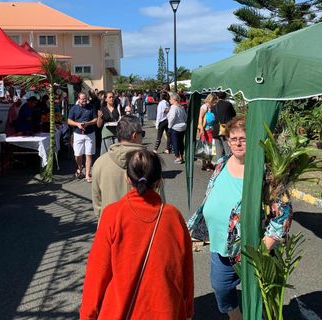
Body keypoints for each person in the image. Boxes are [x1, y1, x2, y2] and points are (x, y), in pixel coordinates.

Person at [187, 116, 292, 320]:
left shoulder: (265, 172)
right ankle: (235, 316)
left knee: (261, 295)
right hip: (220, 245)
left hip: (254, 248)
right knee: (221, 287)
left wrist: (264, 246)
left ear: (252, 141)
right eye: (233, 138)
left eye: (243, 139)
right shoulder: (221, 164)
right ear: (227, 140)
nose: (237, 143)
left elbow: (283, 212)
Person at [80, 150, 194, 319]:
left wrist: (87, 315)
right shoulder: (173, 217)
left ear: (128, 178)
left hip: (120, 311)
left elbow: (97, 273)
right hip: (165, 310)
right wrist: (188, 310)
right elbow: (185, 271)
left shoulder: (113, 215)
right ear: (159, 181)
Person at [92, 116, 167, 220]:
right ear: (135, 135)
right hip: (143, 227)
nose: (143, 137)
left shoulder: (99, 163)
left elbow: (97, 204)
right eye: (142, 134)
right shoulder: (150, 162)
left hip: (110, 225)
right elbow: (159, 202)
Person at [67, 92, 98, 182]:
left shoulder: (91, 107)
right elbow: (69, 121)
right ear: (78, 99)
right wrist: (77, 124)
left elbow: (95, 119)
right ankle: (80, 168)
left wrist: (87, 123)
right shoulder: (74, 108)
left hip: (90, 134)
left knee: (88, 154)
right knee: (77, 155)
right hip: (77, 134)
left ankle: (87, 174)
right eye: (82, 99)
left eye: (85, 98)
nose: (84, 100)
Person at [211, 91, 236, 161]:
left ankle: (219, 169)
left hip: (216, 130)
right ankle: (227, 168)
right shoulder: (228, 104)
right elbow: (234, 115)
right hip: (225, 129)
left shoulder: (213, 107)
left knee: (219, 154)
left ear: (217, 96)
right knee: (228, 152)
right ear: (225, 96)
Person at [198, 93, 219, 171]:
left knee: (211, 147)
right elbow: (200, 118)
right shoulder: (204, 107)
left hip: (211, 129)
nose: (215, 101)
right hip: (205, 129)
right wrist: (201, 129)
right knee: (205, 147)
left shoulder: (212, 107)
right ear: (211, 99)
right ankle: (204, 164)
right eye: (214, 100)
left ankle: (209, 163)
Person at [168, 93, 187, 164]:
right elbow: (185, 117)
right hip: (182, 127)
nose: (169, 100)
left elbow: (172, 117)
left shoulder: (173, 107)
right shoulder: (181, 107)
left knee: (175, 142)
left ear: (174, 99)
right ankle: (182, 156)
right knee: (181, 142)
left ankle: (177, 157)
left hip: (175, 127)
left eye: (170, 99)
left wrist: (169, 126)